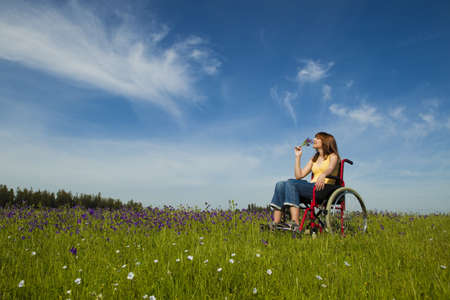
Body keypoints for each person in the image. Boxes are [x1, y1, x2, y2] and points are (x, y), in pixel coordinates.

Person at [269, 132, 341, 226]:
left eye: (317, 138)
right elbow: (299, 175)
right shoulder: (314, 158)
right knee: (280, 184)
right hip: (312, 186)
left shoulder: (333, 156)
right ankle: (276, 222)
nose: (313, 140)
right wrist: (298, 157)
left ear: (325, 142)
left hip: (324, 188)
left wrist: (323, 174)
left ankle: (295, 222)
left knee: (291, 183)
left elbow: (331, 168)